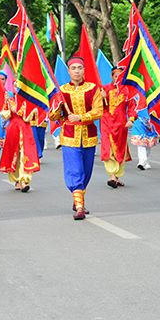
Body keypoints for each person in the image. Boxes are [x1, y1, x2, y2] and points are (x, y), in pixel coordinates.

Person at [49, 56, 103, 220]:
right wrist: (57, 109)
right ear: (69, 71)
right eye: (74, 68)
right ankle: (79, 206)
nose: (77, 71)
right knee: (75, 171)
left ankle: (78, 197)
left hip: (88, 134)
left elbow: (98, 111)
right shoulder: (62, 91)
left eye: (80, 68)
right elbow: (52, 116)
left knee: (86, 172)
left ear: (84, 70)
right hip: (69, 136)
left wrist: (81, 117)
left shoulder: (93, 89)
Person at [100, 65, 136, 188]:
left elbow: (132, 107)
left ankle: (116, 176)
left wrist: (131, 119)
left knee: (120, 150)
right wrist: (102, 98)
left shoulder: (127, 90)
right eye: (115, 76)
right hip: (106, 122)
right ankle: (112, 176)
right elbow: (97, 106)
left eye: (120, 76)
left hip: (121, 124)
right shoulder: (104, 89)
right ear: (111, 76)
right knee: (108, 149)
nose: (117, 78)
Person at [0, 90, 40, 192]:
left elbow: (31, 117)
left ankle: (25, 180)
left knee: (26, 153)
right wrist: (6, 102)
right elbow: (5, 115)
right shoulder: (10, 100)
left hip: (25, 129)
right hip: (13, 128)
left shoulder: (29, 100)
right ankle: (17, 179)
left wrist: (20, 109)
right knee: (14, 154)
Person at [130, 104, 158, 170]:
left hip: (151, 119)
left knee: (148, 143)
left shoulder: (152, 95)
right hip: (139, 119)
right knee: (141, 143)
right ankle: (142, 161)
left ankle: (146, 161)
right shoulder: (137, 95)